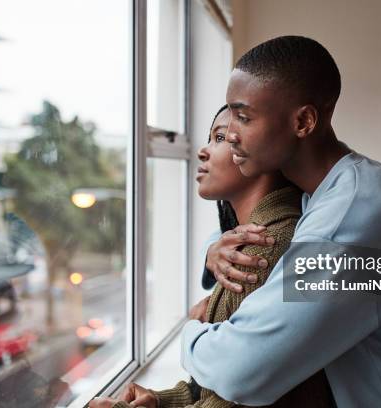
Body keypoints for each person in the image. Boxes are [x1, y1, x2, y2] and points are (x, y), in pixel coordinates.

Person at [178, 36, 381, 407]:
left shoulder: (352, 218)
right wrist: (213, 248)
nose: (232, 135)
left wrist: (189, 329)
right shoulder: (335, 188)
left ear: (303, 121)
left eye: (244, 117)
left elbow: (240, 372)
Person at [90, 105, 334, 408]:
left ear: (259, 154)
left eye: (220, 138)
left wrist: (192, 330)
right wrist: (160, 400)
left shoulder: (264, 247)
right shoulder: (243, 239)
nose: (202, 152)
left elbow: (240, 397)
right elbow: (219, 388)